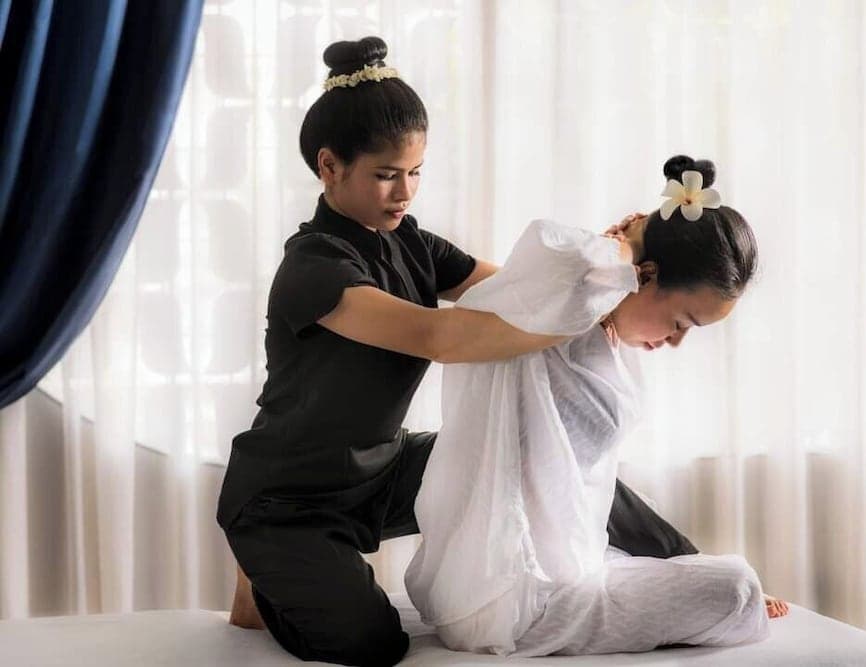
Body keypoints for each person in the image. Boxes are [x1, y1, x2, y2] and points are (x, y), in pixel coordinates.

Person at [216, 36, 704, 667]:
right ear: (329, 166)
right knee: (373, 643)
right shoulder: (312, 269)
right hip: (289, 497)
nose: (405, 192)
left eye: (415, 172)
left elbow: (516, 293)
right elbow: (439, 338)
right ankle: (265, 571)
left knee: (536, 451)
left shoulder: (412, 243)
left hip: (381, 470)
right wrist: (585, 308)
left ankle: (686, 561)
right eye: (386, 175)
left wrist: (614, 271)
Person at [404, 155, 788, 656]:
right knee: (735, 588)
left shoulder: (598, 335)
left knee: (727, 582)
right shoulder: (555, 309)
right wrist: (629, 242)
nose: (675, 340)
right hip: (516, 598)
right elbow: (555, 246)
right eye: (681, 322)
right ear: (646, 276)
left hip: (568, 571)